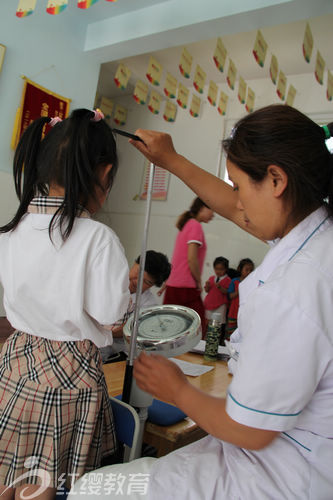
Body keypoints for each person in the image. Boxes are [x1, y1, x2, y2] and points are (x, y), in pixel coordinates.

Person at [0, 109, 132, 499]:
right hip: (69, 376)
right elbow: (111, 316)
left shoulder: (12, 231)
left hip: (15, 363)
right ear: (104, 174)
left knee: (8, 469)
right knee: (45, 482)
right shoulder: (97, 237)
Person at [100, 250, 171, 360]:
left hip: (118, 353)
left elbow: (130, 328)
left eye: (146, 282)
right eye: (138, 273)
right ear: (134, 264)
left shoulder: (148, 303)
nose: (137, 282)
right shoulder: (107, 280)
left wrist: (100, 332)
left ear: (153, 285)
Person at [163, 197, 214, 338]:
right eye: (212, 210)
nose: (213, 215)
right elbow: (191, 259)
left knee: (171, 331)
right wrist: (198, 280)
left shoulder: (187, 225)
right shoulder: (195, 225)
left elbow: (178, 258)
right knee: (197, 331)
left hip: (175, 285)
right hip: (186, 287)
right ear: (202, 208)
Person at [225, 258, 254, 340]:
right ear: (240, 269)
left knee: (241, 336)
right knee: (230, 335)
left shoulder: (252, 283)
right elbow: (230, 296)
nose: (249, 272)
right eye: (247, 270)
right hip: (233, 313)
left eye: (251, 270)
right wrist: (239, 291)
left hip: (245, 315)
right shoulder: (234, 281)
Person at [203, 256, 231, 341]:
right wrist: (207, 286)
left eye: (221, 269)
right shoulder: (212, 278)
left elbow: (227, 292)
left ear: (226, 269)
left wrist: (220, 288)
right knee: (207, 323)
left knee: (217, 325)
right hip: (209, 304)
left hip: (220, 306)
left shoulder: (228, 280)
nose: (218, 271)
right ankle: (204, 339)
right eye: (216, 269)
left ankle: (214, 341)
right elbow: (207, 290)